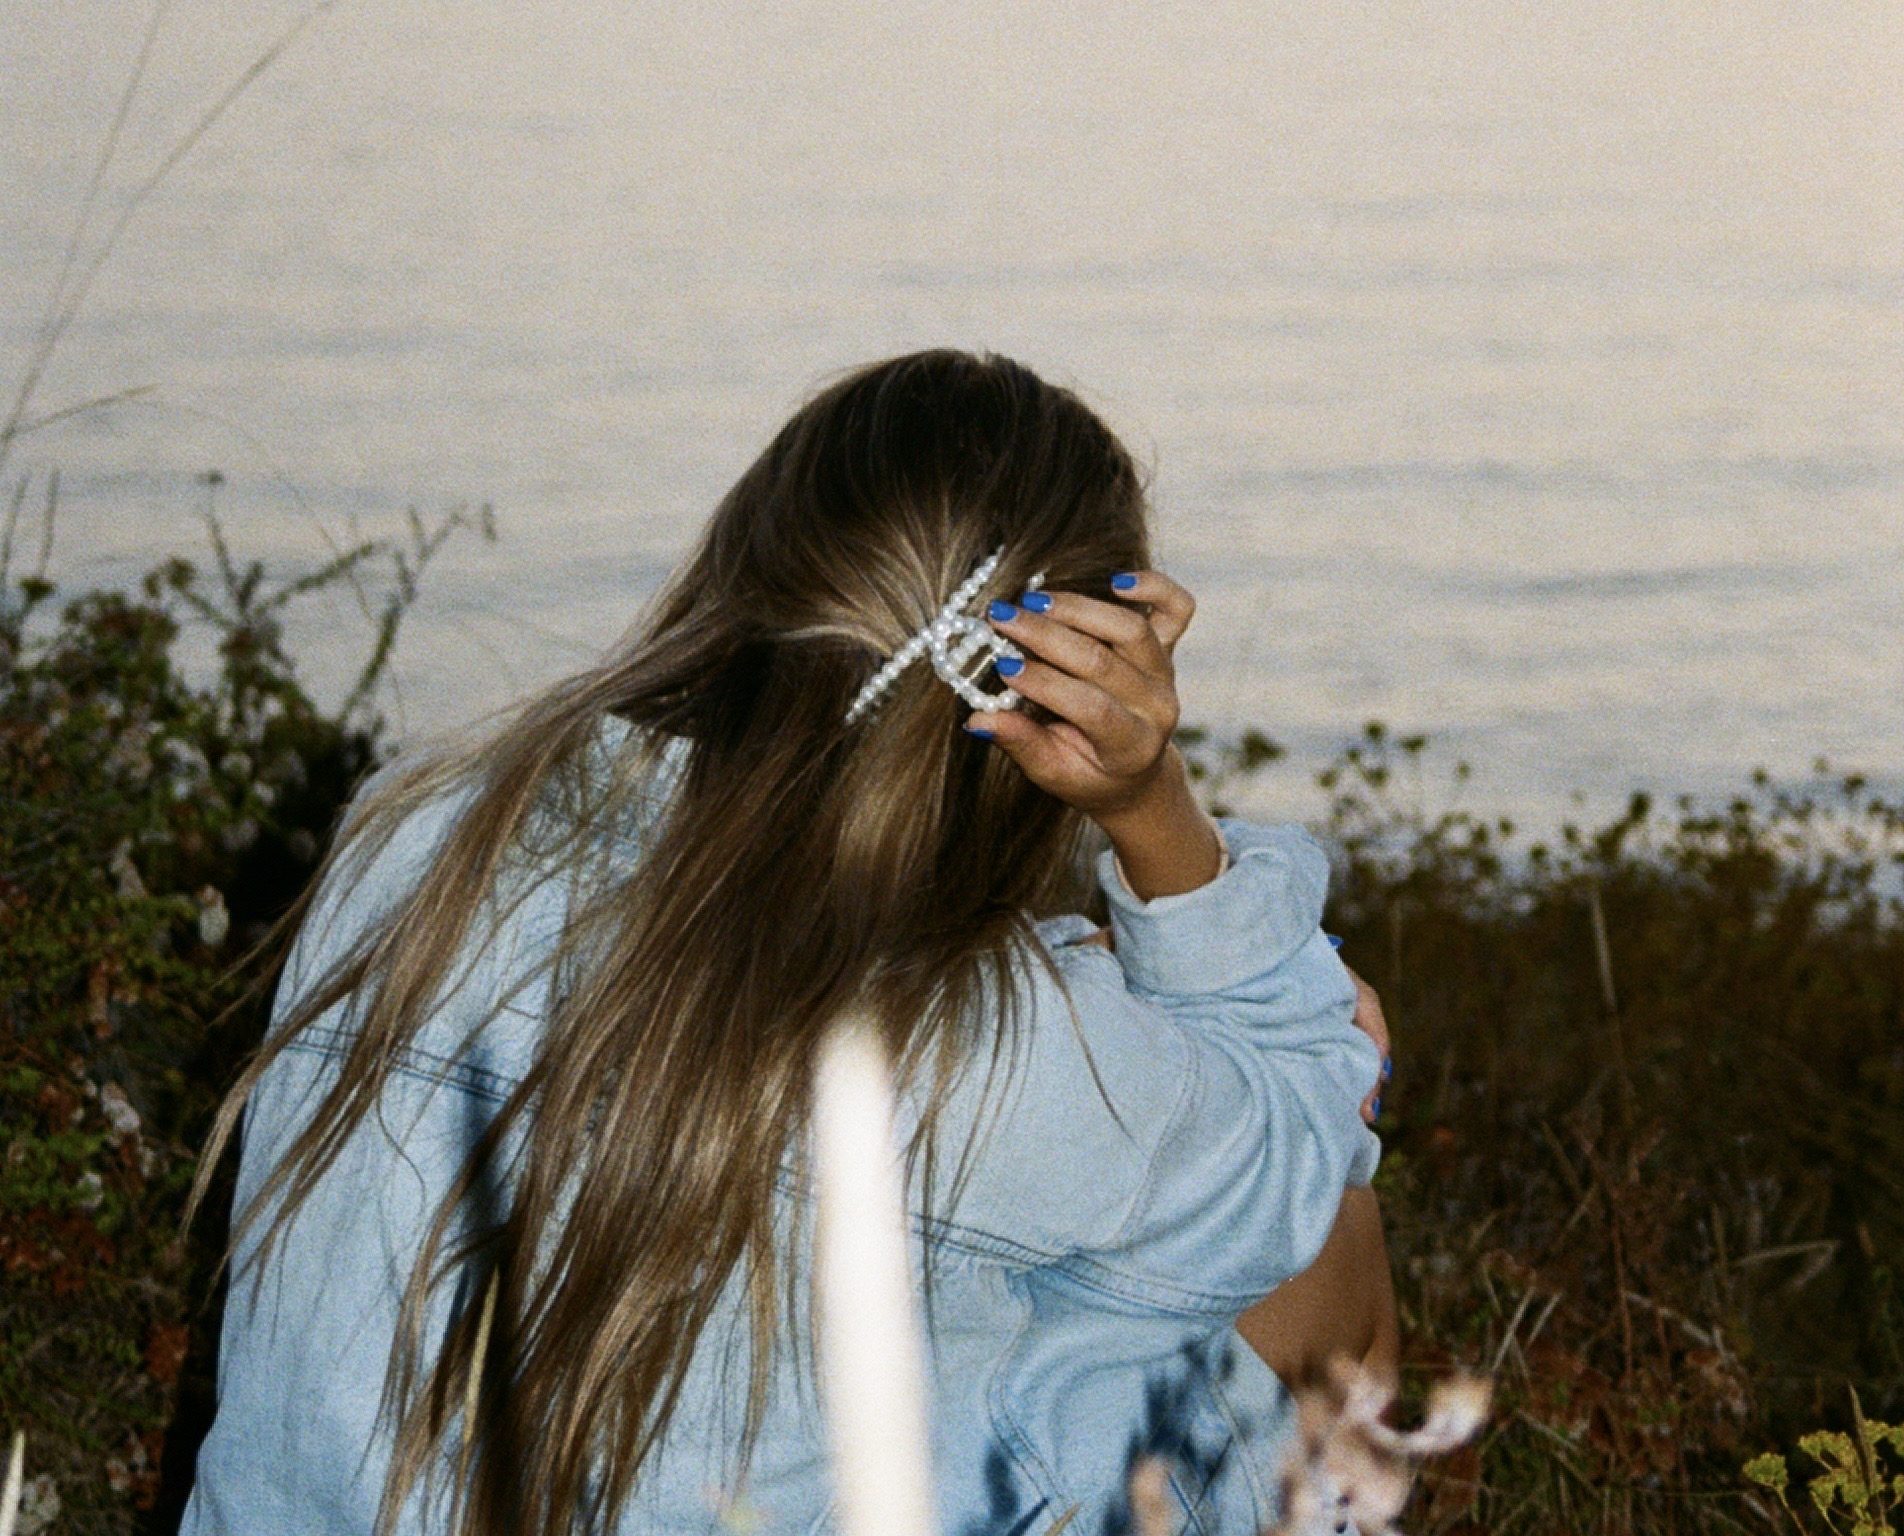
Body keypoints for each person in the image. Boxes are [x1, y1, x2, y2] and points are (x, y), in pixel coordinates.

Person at [177, 349, 1398, 1536]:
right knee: (1310, 1183)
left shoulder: (423, 832)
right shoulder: (983, 1049)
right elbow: (1297, 1160)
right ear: (1058, 689)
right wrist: (1150, 810)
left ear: (746, 567)